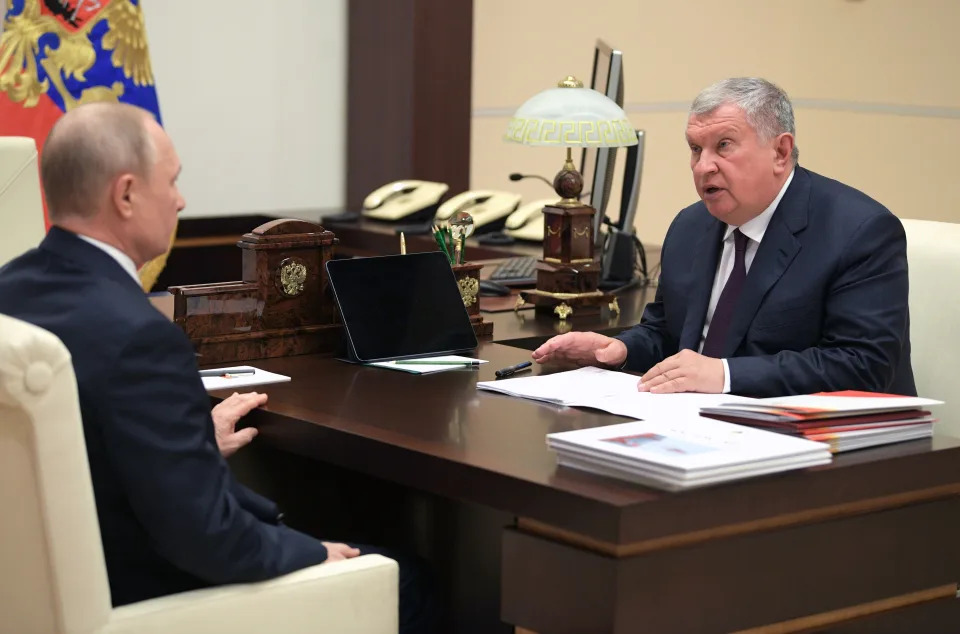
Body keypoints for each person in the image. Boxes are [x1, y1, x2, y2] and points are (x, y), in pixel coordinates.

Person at [0, 103, 435, 632]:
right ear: (127, 194)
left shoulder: (10, 290)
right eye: (173, 181)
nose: (181, 200)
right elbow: (205, 537)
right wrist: (313, 555)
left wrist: (183, 438)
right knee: (405, 577)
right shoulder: (142, 338)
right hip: (139, 595)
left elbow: (67, 435)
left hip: (33, 588)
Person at [533, 77, 915, 398]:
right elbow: (666, 332)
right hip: (698, 426)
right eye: (696, 149)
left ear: (780, 152)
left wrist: (725, 375)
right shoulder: (690, 226)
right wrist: (618, 350)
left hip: (830, 450)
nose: (703, 166)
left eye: (724, 146)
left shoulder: (859, 232)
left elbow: (864, 366)